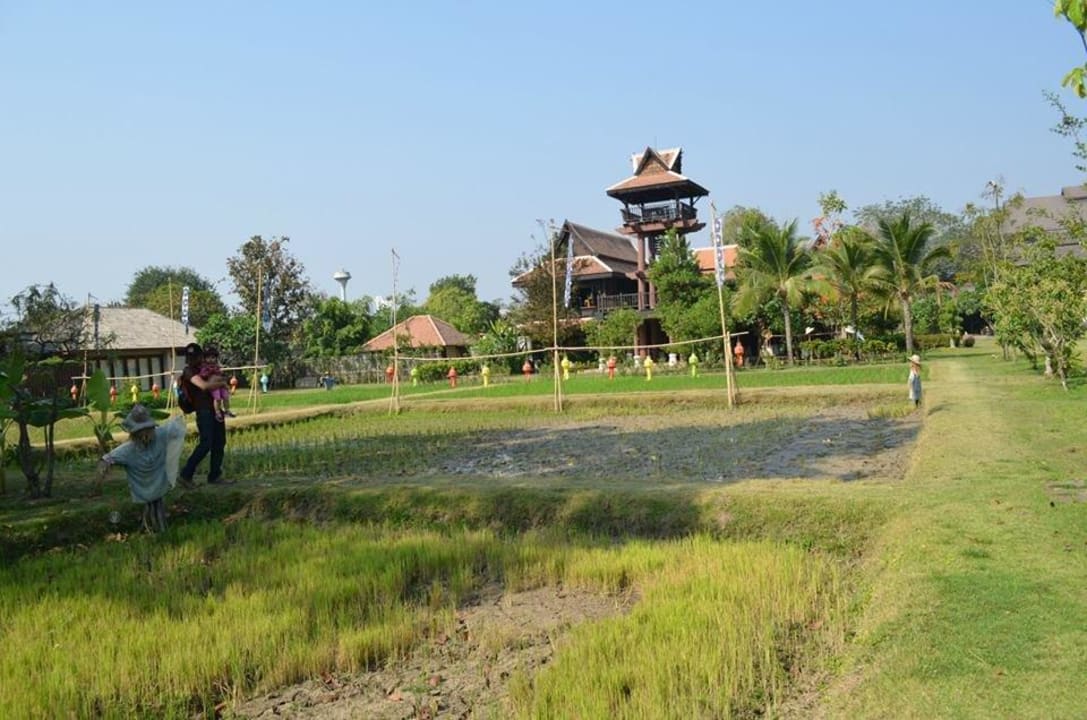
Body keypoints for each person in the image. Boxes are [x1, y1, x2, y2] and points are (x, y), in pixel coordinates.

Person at [96, 404, 188, 533]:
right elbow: (108, 459)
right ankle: (152, 528)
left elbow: (177, 428)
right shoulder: (129, 450)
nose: (145, 433)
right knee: (151, 507)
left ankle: (160, 529)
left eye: (148, 429)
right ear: (134, 432)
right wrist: (104, 470)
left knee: (158, 504)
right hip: (142, 484)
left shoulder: (160, 435)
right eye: (141, 431)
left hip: (159, 479)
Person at [179, 342, 232, 486]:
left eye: (195, 356)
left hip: (216, 409)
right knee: (206, 444)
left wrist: (220, 382)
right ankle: (186, 474)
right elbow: (203, 386)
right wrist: (221, 383)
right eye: (190, 357)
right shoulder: (189, 371)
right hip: (203, 411)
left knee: (219, 442)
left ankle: (215, 476)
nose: (193, 359)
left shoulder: (206, 368)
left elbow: (218, 379)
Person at [199, 345, 235, 420]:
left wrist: (220, 372)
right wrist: (209, 373)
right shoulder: (205, 367)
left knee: (226, 396)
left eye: (213, 358)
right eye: (208, 358)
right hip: (214, 385)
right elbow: (202, 375)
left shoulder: (216, 366)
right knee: (217, 398)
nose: (211, 360)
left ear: (216, 358)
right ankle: (217, 412)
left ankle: (227, 410)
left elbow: (221, 374)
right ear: (205, 359)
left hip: (221, 384)